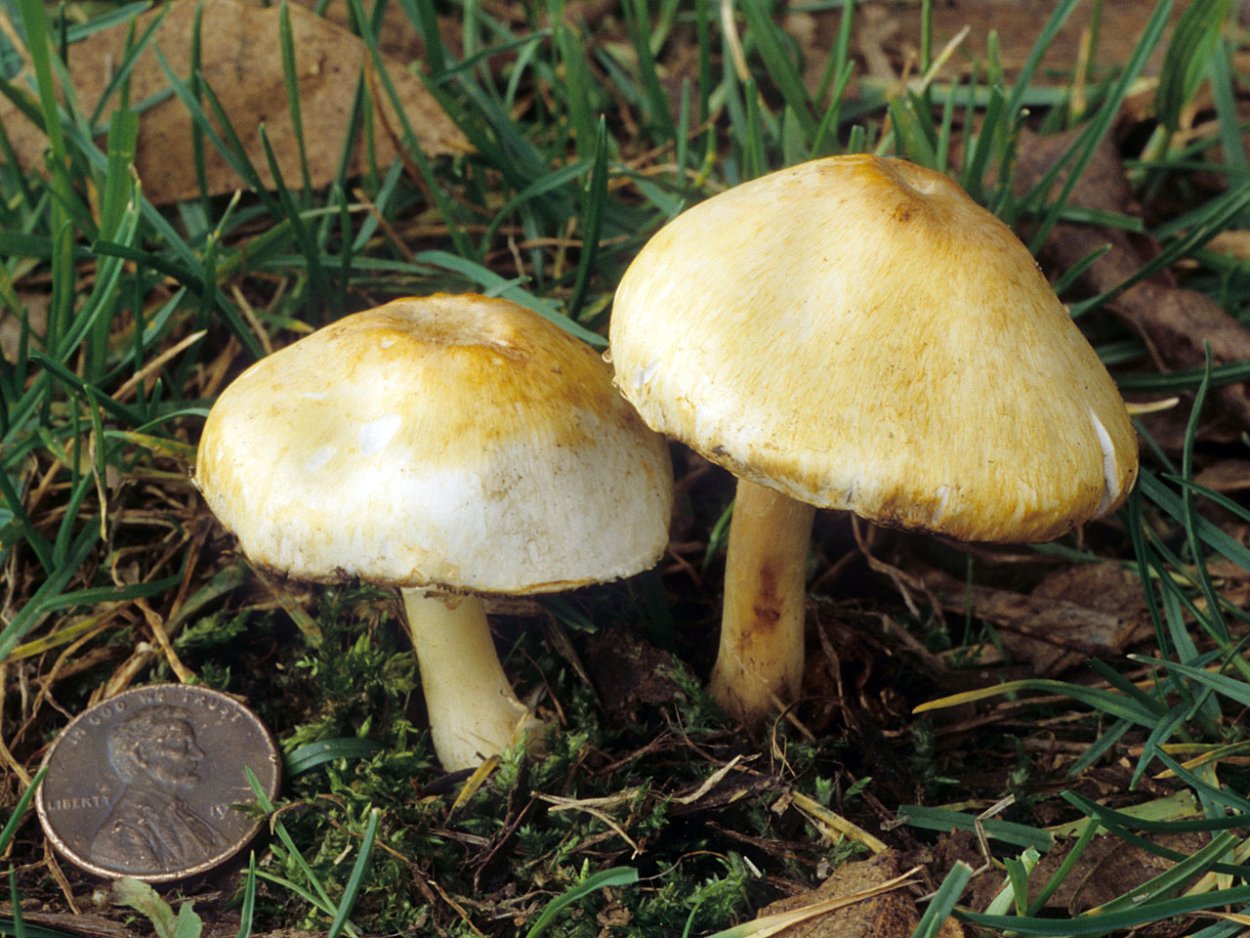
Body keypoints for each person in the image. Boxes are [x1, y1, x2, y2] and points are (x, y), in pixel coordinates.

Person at [90, 705, 224, 873]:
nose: (199, 755)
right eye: (181, 744)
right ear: (140, 755)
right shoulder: (122, 834)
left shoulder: (181, 814)